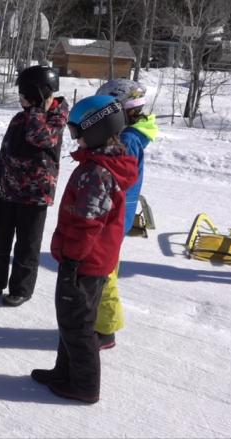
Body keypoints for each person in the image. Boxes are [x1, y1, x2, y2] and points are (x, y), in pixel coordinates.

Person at [30, 95, 138, 404]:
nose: (74, 138)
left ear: (95, 130)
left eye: (77, 132)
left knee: (77, 325)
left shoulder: (97, 172)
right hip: (93, 261)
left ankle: (85, 385)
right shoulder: (102, 165)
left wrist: (72, 262)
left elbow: (87, 223)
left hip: (84, 262)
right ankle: (63, 372)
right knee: (71, 320)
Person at [0, 66, 69, 307]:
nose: (20, 97)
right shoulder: (19, 118)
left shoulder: (56, 120)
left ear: (39, 93)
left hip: (36, 195)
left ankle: (22, 289)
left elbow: (40, 137)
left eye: (25, 93)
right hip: (10, 190)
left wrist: (37, 111)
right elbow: (4, 153)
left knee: (27, 244)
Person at [93, 79, 159, 350]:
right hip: (113, 213)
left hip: (113, 215)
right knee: (101, 270)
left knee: (102, 272)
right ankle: (96, 321)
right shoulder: (126, 134)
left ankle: (105, 331)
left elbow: (118, 179)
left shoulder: (129, 139)